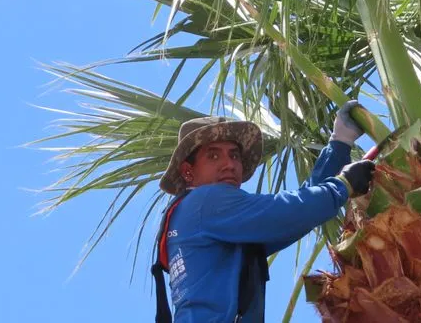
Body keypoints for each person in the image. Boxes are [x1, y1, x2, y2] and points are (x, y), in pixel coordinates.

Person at [153, 103, 377, 323]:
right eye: (213, 156)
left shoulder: (210, 219)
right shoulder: (205, 201)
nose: (229, 164)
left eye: (234, 155)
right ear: (188, 172)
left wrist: (339, 143)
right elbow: (288, 212)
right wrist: (342, 185)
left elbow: (294, 212)